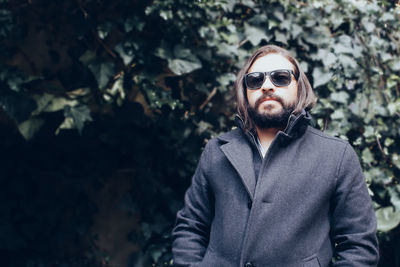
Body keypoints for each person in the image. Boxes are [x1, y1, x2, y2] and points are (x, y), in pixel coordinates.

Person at [171, 45, 379, 267]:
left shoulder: (337, 156)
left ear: (299, 87)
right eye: (255, 80)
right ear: (245, 91)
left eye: (280, 78)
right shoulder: (217, 150)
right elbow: (190, 227)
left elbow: (359, 247)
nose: (267, 86)